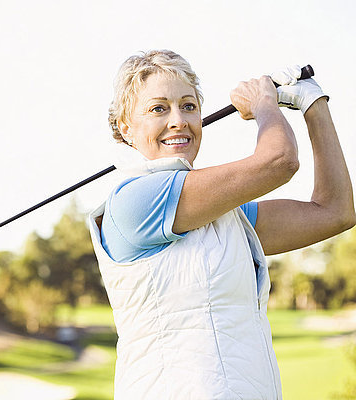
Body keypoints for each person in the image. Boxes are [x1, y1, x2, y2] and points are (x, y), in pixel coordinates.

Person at [88, 50, 355, 399]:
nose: (178, 120)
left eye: (188, 106)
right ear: (126, 128)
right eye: (158, 108)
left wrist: (313, 103)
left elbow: (335, 211)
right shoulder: (136, 201)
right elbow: (279, 161)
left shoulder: (227, 216)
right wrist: (264, 105)